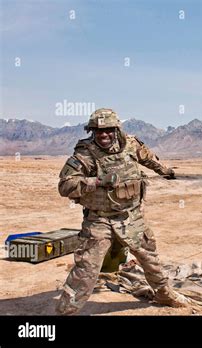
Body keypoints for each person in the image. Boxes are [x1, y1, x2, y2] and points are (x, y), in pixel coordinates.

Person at [56, 108, 190, 315]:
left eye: (108, 130)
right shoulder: (85, 154)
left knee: (150, 259)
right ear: (92, 132)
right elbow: (65, 186)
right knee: (86, 270)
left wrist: (167, 172)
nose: (103, 135)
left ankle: (164, 294)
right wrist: (97, 181)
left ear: (116, 129)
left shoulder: (130, 145)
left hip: (131, 217)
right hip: (99, 221)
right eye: (97, 131)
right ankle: (66, 312)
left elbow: (150, 159)